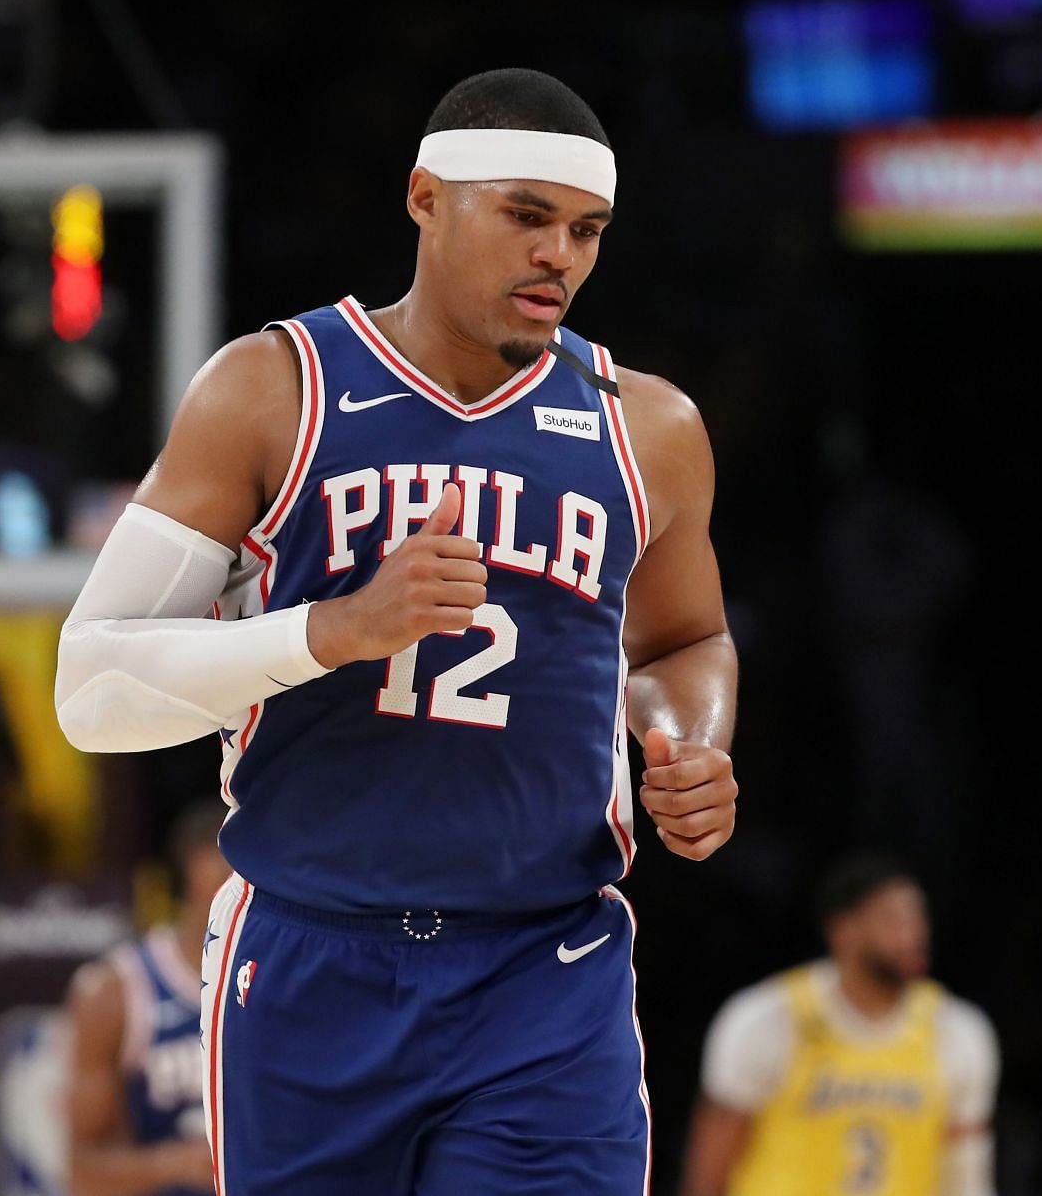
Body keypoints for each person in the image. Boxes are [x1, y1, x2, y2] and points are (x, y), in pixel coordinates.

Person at [56, 67, 739, 1193]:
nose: (558, 255)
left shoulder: (651, 428)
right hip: (311, 959)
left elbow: (682, 645)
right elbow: (90, 689)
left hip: (544, 967)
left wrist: (692, 740)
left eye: (586, 230)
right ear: (425, 197)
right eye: (527, 216)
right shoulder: (272, 389)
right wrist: (329, 630)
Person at [679, 856, 999, 1196]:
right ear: (843, 930)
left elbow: (967, 1179)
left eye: (917, 916)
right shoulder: (767, 1018)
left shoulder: (957, 1030)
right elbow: (708, 1172)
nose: (912, 932)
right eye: (892, 918)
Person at [63, 802, 231, 1196]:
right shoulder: (116, 989)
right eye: (227, 868)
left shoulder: (277, 976)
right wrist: (176, 1163)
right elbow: (81, 1171)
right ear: (194, 866)